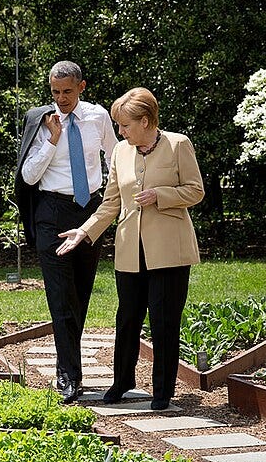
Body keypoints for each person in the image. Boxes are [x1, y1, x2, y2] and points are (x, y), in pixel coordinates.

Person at [56, 87, 204, 410]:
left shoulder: (178, 145)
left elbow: (196, 191)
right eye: (118, 126)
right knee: (126, 320)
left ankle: (162, 391)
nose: (120, 132)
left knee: (164, 321)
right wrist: (84, 231)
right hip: (129, 251)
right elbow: (110, 205)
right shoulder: (120, 152)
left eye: (125, 125)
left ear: (147, 121)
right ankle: (122, 382)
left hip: (169, 252)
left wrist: (161, 195)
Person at [15, 61, 117, 403]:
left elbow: (115, 156)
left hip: (88, 211)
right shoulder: (41, 121)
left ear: (82, 87)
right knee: (60, 296)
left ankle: (67, 364)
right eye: (55, 92)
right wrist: (52, 140)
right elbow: (28, 176)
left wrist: (114, 194)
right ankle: (70, 376)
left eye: (67, 92)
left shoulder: (98, 116)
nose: (61, 99)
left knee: (80, 295)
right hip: (51, 212)